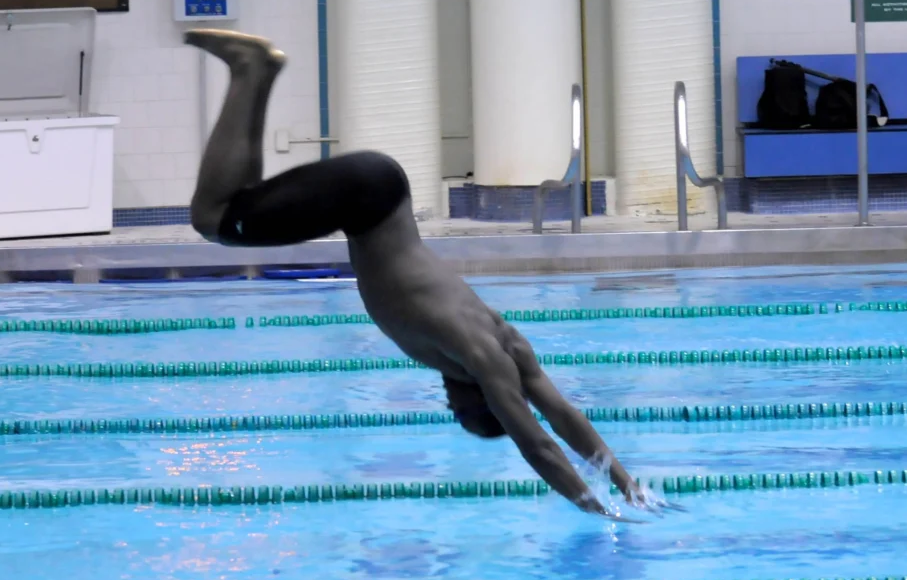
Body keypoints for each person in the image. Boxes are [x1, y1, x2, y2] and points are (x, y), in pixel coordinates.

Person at [184, 29, 674, 521]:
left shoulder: (506, 342)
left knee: (234, 204)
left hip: (380, 193)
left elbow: (562, 413)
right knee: (213, 217)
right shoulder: (482, 356)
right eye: (460, 413)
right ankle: (251, 69)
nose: (448, 404)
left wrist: (625, 484)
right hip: (363, 200)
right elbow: (539, 443)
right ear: (482, 400)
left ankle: (252, 72)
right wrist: (599, 509)